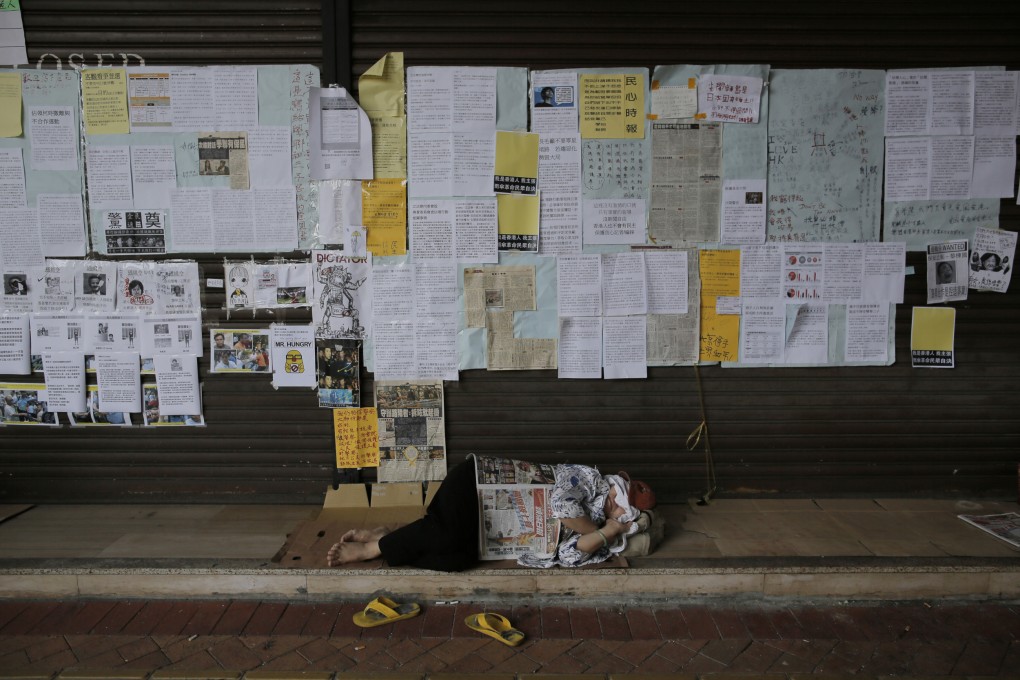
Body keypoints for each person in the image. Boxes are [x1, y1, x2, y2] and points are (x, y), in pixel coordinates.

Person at [326, 457, 645, 572]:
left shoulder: (601, 530)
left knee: (455, 560)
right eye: (621, 503)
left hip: (486, 529)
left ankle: (389, 537)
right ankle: (373, 548)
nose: (619, 511)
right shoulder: (588, 479)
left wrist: (607, 533)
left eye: (624, 512)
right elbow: (563, 508)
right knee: (446, 534)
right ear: (616, 490)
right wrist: (595, 529)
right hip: (475, 485)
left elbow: (568, 555)